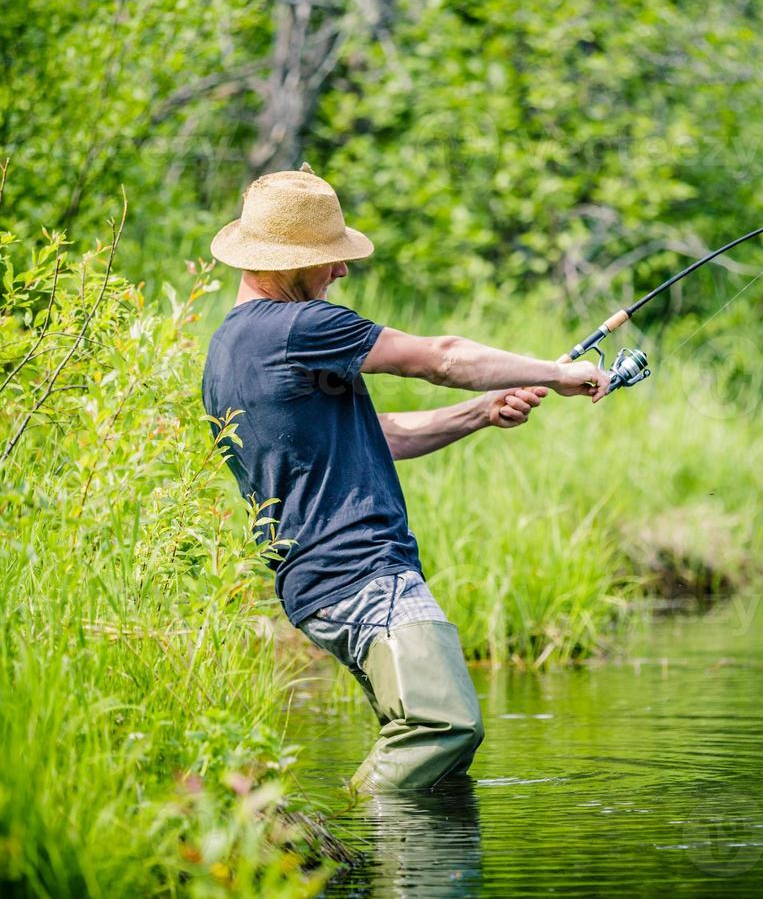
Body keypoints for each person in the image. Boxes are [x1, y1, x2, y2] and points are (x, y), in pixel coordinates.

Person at [200, 165, 610, 792]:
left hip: (319, 583)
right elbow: (441, 357)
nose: (341, 270)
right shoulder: (301, 326)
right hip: (360, 572)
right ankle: (341, 840)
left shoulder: (229, 350)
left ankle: (391, 869)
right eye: (328, 258)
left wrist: (480, 412)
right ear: (281, 263)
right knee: (439, 726)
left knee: (438, 766)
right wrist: (556, 373)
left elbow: (377, 435)